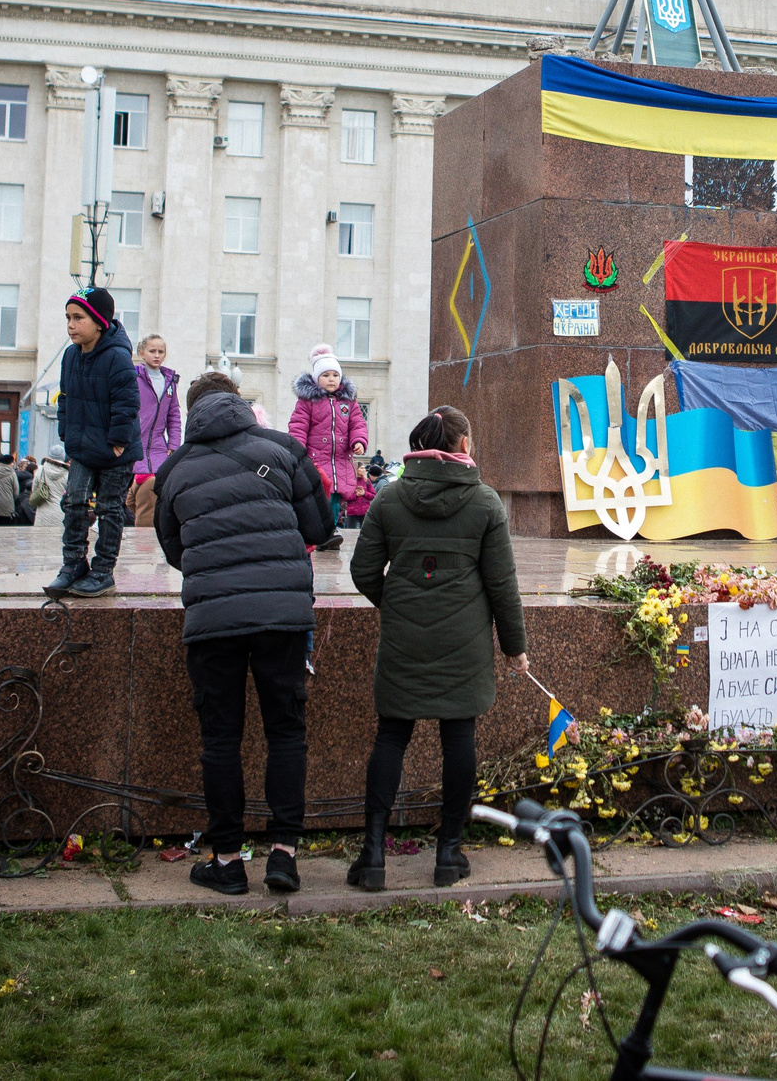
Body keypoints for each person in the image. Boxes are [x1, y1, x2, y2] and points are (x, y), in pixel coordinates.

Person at [153, 371, 332, 896]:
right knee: (286, 732)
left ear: (192, 411)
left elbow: (174, 549)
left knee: (221, 739)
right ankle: (284, 856)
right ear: (238, 402)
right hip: (282, 613)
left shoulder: (173, 470)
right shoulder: (284, 449)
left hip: (213, 621)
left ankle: (227, 861)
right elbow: (319, 528)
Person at [346, 405, 526, 892]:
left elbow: (363, 571)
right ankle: (448, 853)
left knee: (391, 737)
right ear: (464, 445)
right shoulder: (485, 502)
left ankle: (373, 855)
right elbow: (502, 585)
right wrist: (515, 647)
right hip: (463, 642)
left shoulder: (389, 498)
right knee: (459, 738)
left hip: (403, 638)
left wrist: (397, 604)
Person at [46, 288, 139, 597]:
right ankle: (73, 564)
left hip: (115, 450)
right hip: (83, 447)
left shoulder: (117, 356)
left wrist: (118, 441)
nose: (71, 325)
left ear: (99, 321)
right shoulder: (71, 355)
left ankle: (102, 571)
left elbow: (127, 402)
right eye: (68, 318)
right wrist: (66, 433)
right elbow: (65, 397)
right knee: (73, 502)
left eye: (78, 318)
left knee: (109, 508)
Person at [287, 344, 372, 534]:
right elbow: (298, 427)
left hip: (340, 461)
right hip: (316, 460)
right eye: (325, 375)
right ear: (316, 378)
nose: (331, 379)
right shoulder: (308, 401)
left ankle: (330, 531)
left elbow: (358, 423)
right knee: (320, 498)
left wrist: (359, 441)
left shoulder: (348, 402)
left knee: (335, 500)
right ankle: (318, 532)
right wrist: (298, 451)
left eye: (335, 375)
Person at [134, 334, 182, 485]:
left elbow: (174, 416)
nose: (157, 355)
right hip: (134, 446)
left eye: (160, 352)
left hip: (159, 449)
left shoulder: (169, 381)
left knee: (157, 489)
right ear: (141, 353)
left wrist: (174, 444)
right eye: (152, 351)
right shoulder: (134, 377)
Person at [0, 453, 23, 526]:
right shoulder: (12, 474)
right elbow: (16, 492)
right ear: (10, 463)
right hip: (8, 506)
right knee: (6, 528)